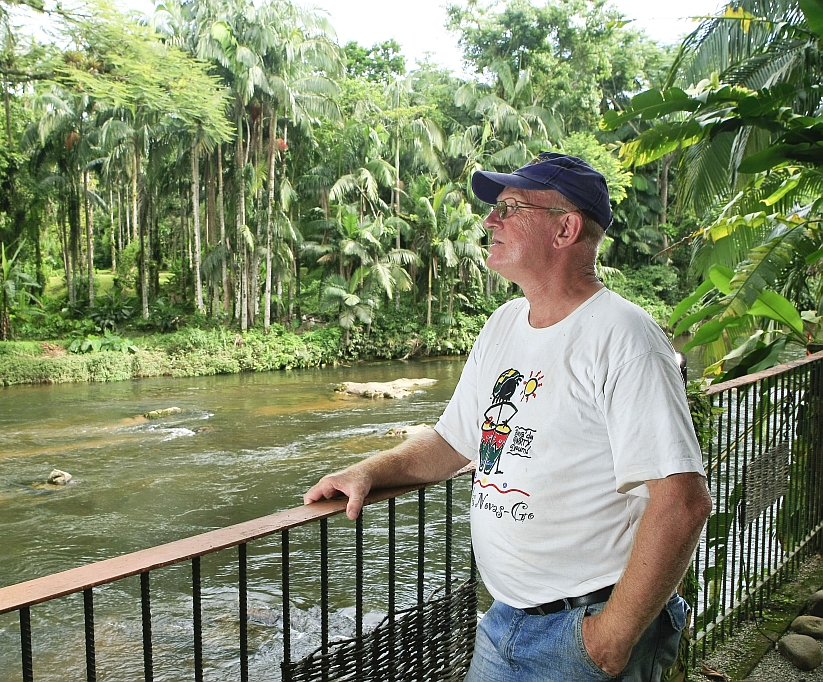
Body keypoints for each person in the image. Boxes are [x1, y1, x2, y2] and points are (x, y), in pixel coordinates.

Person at [303, 153, 712, 681]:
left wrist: (610, 638)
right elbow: (451, 443)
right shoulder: (503, 324)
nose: (489, 220)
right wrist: (368, 471)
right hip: (504, 620)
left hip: (586, 627)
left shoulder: (625, 338)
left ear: (565, 228)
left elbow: (683, 501)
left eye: (511, 208)